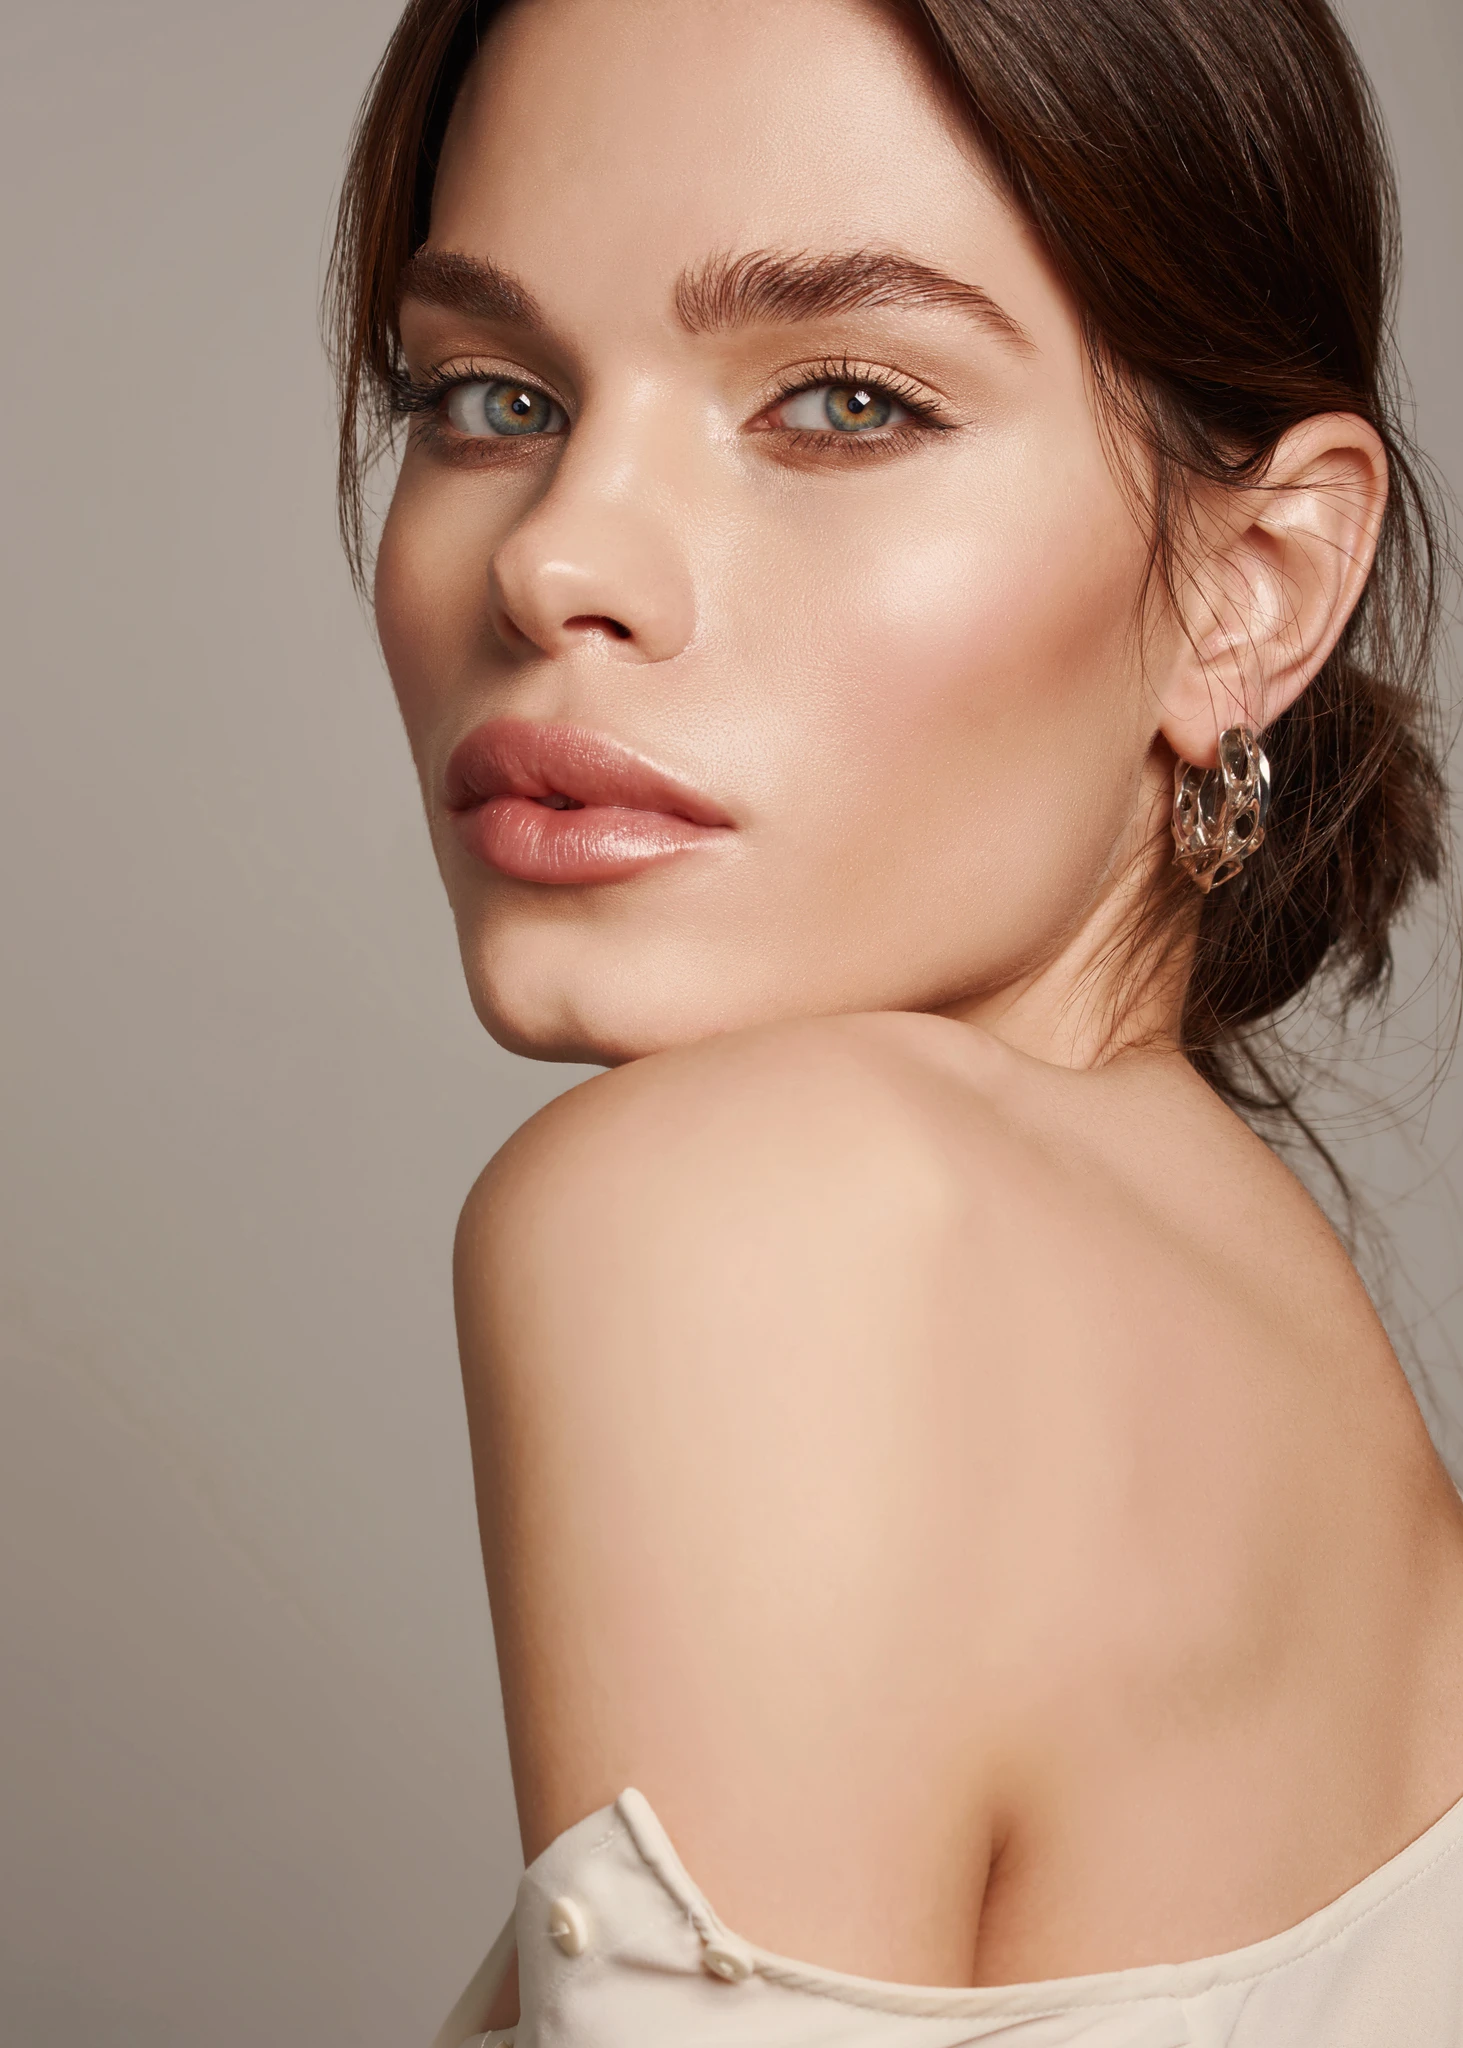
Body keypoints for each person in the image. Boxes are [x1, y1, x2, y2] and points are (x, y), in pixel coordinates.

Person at [327, 0, 1463, 2038]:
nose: (558, 555)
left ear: (1254, 584)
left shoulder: (748, 1212)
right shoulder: (1306, 1386)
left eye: (841, 403)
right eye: (484, 394)